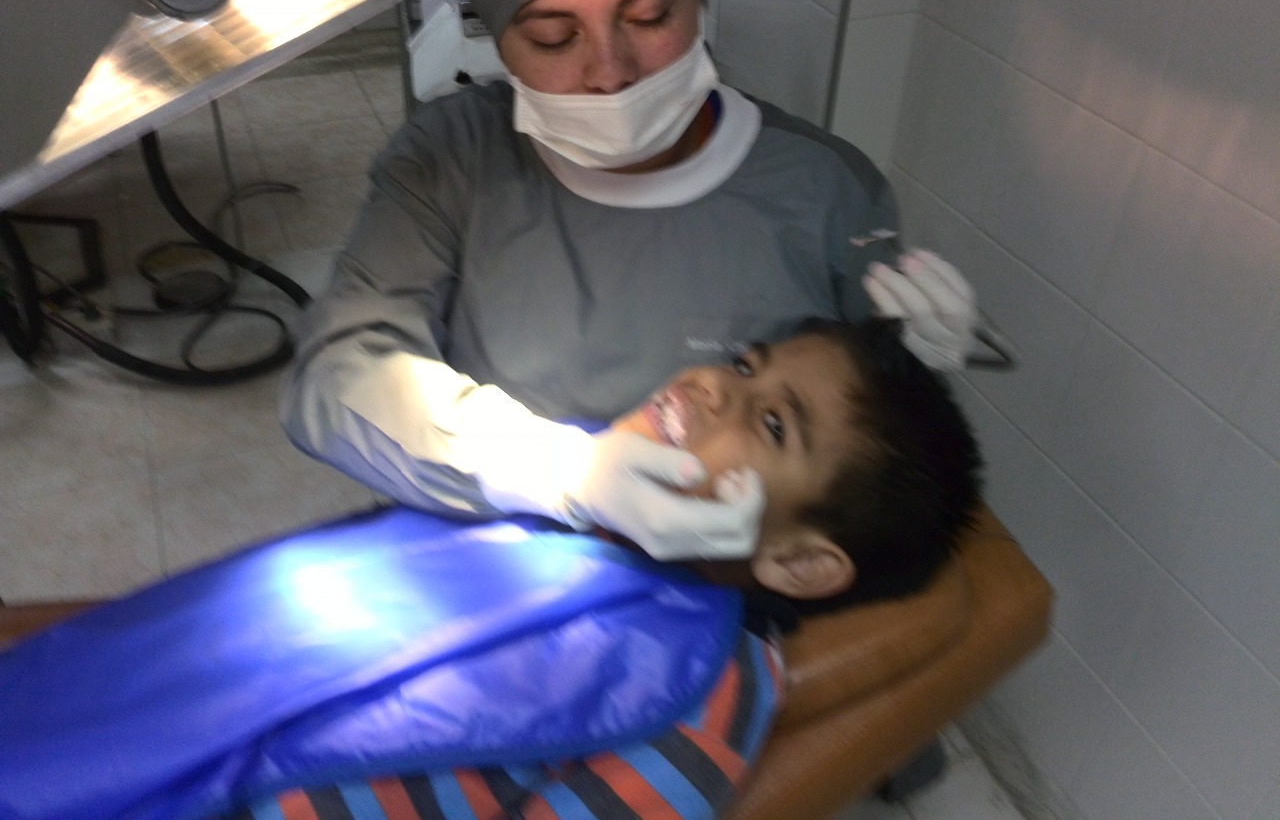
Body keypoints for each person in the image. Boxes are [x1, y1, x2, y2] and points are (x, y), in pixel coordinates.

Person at [279, 0, 981, 564]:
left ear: (697, 1)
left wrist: (911, 373)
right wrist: (564, 474)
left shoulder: (824, 189)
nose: (611, 71)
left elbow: (860, 449)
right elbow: (336, 379)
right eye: (553, 37)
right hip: (503, 569)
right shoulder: (452, 158)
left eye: (649, 16)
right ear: (498, 41)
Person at [0, 319, 981, 820]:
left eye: (770, 423)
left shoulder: (700, 696)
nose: (715, 386)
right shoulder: (571, 478)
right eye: (745, 362)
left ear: (800, 562)